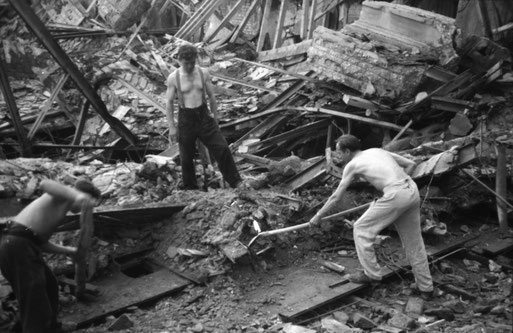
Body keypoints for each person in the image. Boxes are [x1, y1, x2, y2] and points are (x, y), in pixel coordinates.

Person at [309, 134, 434, 299]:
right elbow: (410, 164)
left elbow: (336, 196)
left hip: (396, 195)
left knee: (361, 228)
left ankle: (372, 274)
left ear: (347, 151)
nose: (337, 156)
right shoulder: (377, 151)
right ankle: (426, 288)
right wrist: (395, 187)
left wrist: (318, 215)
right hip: (411, 189)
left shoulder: (352, 165)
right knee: (414, 243)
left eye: (339, 152)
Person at [0, 178, 101, 333]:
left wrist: (68, 250)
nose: (83, 208)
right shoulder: (62, 195)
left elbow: (40, 242)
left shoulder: (59, 207)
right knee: (35, 298)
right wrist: (77, 196)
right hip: (17, 246)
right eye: (85, 203)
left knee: (48, 287)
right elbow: (44, 183)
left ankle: (47, 327)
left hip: (23, 245)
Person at [165, 44, 243, 190]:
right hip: (186, 118)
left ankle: (235, 181)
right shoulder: (173, 78)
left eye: (192, 62)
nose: (189, 66)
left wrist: (215, 117)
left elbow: (212, 96)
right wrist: (172, 127)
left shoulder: (203, 73)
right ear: (179, 60)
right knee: (186, 157)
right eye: (186, 63)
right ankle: (191, 188)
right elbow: (168, 103)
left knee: (222, 148)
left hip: (203, 116)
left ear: (196, 59)